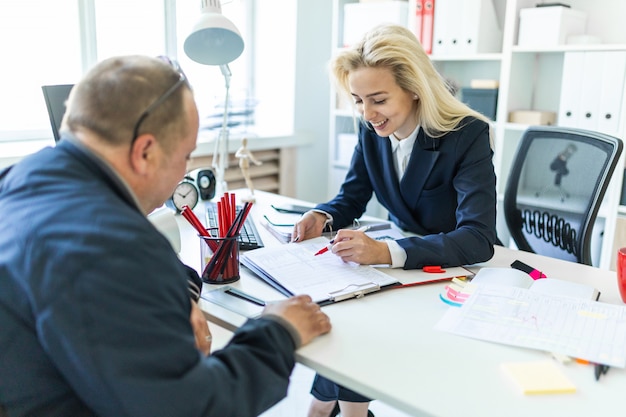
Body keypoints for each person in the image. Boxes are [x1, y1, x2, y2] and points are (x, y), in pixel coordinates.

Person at [0, 55, 331, 417]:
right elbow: (197, 408)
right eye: (186, 156)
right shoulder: (112, 247)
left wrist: (174, 294)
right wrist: (278, 331)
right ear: (145, 152)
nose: (184, 173)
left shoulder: (23, 178)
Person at [293, 24, 498, 417]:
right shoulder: (372, 129)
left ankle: (331, 410)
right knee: (346, 315)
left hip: (454, 271)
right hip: (399, 274)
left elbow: (477, 238)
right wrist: (322, 214)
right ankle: (332, 410)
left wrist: (385, 251)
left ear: (415, 88)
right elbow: (352, 194)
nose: (368, 114)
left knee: (353, 332)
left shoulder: (466, 135)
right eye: (357, 101)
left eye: (378, 99)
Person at [235, 136, 262, 201]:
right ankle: (251, 190)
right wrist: (243, 156)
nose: (245, 143)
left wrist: (257, 162)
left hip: (246, 166)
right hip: (243, 165)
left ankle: (251, 191)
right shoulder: (241, 149)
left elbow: (251, 157)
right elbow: (237, 155)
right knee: (247, 179)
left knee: (248, 179)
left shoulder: (246, 150)